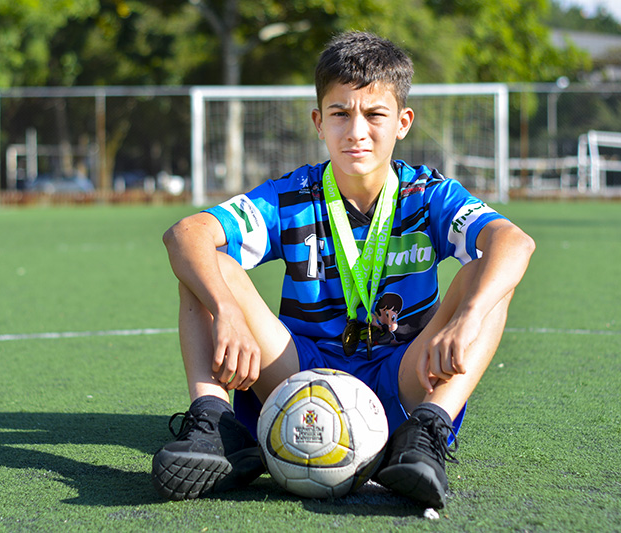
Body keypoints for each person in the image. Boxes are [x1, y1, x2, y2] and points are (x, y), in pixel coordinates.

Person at [153, 31, 535, 509]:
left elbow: (515, 242)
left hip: (401, 376)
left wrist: (470, 316)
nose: (357, 131)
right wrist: (226, 309)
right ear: (319, 121)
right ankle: (213, 424)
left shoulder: (428, 196)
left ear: (402, 122)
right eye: (340, 113)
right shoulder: (292, 195)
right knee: (204, 262)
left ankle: (426, 433)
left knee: (488, 275)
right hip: (296, 371)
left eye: (375, 114)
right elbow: (184, 234)